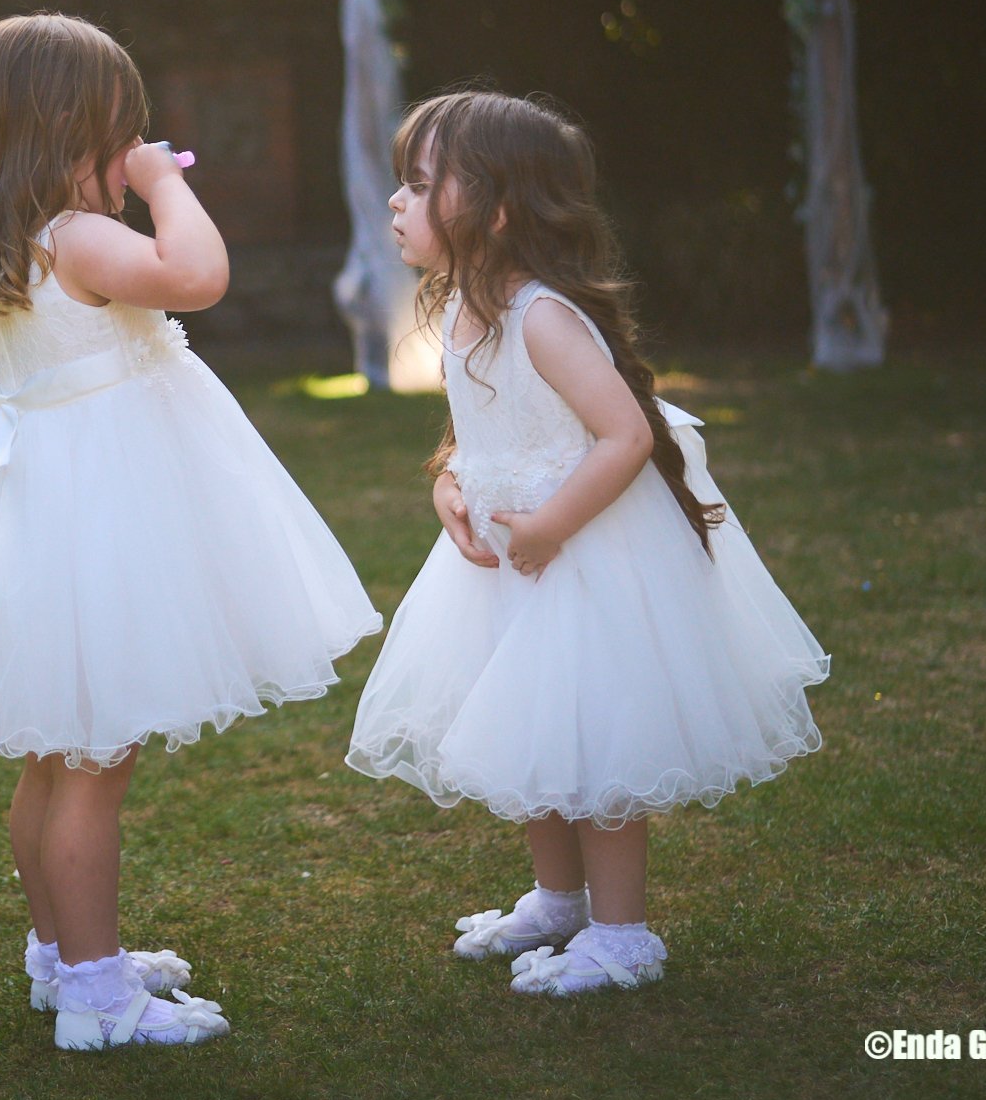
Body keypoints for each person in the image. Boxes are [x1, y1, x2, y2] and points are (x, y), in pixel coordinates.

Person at [0, 13, 380, 1049]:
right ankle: (98, 999)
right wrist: (164, 185)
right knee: (96, 760)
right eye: (121, 130)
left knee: (52, 757)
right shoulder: (81, 236)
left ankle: (62, 952)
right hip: (105, 516)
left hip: (47, 515)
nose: (132, 148)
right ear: (72, 131)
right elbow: (197, 277)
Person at [346, 88, 831, 997]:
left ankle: (623, 932)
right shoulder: (456, 311)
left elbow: (625, 435)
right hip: (508, 556)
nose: (396, 203)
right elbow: (474, 429)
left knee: (599, 736)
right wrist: (450, 487)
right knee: (532, 728)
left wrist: (551, 526)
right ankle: (556, 895)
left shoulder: (544, 317)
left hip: (582, 552)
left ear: (492, 209)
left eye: (418, 183)